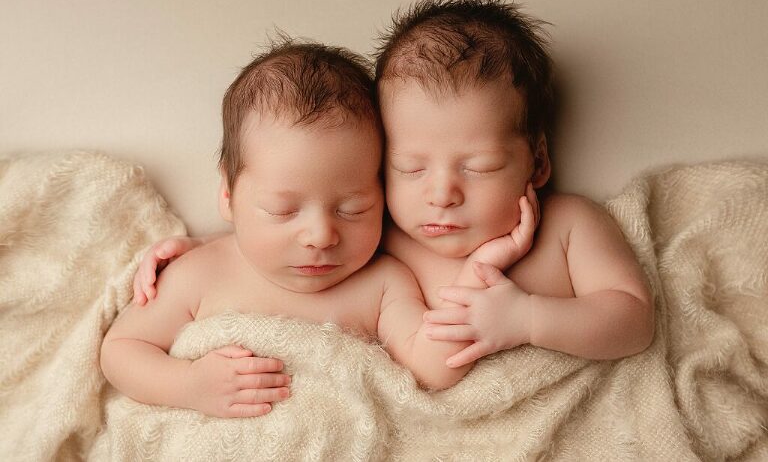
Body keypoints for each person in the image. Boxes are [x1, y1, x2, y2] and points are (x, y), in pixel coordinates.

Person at [134, 0, 654, 377]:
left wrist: (531, 318)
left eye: (478, 166)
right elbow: (301, 236)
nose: (442, 193)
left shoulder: (570, 225)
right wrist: (202, 247)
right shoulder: (384, 238)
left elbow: (634, 321)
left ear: (537, 161)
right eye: (409, 169)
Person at [101, 38, 537, 419]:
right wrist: (189, 385)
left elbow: (435, 369)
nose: (320, 236)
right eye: (283, 210)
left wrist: (478, 271)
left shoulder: (383, 283)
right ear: (229, 198)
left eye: (353, 209)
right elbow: (120, 351)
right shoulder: (201, 272)